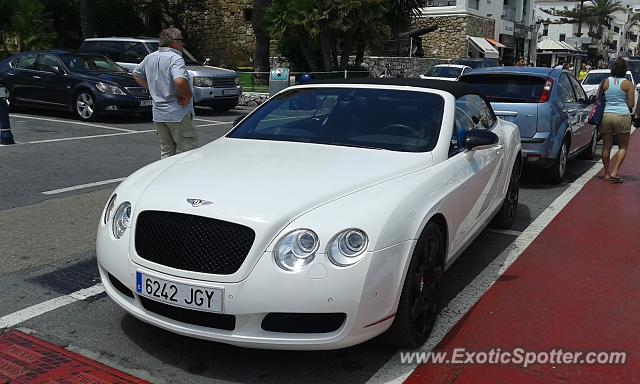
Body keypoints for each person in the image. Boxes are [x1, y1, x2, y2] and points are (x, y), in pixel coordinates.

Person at [133, 28, 198, 158]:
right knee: (188, 154)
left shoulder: (150, 57)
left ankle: (166, 178)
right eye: (181, 40)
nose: (183, 44)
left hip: (159, 114)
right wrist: (188, 95)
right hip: (178, 113)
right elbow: (179, 81)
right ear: (173, 42)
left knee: (166, 153)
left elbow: (136, 74)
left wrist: (152, 88)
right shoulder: (175, 58)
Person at [600, 58, 634, 183]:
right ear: (625, 70)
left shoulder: (605, 82)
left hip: (607, 115)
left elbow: (600, 98)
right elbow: (631, 104)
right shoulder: (627, 84)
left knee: (606, 146)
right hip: (622, 115)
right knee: (623, 146)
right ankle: (616, 171)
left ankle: (607, 173)